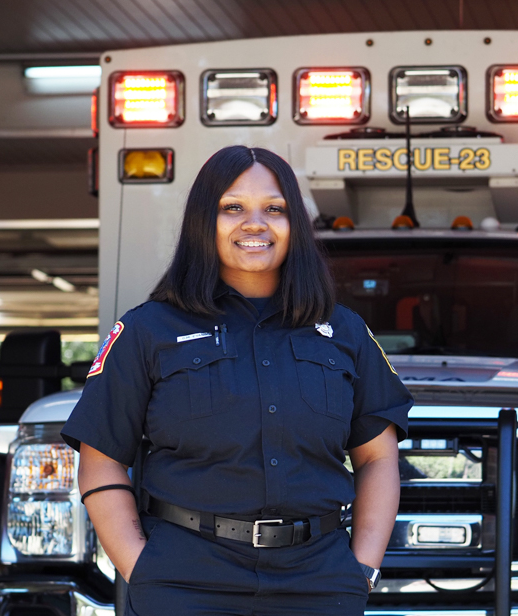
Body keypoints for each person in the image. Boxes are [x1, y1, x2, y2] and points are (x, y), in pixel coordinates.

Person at [61, 145, 413, 616]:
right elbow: (101, 460)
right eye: (233, 208)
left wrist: (362, 569)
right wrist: (139, 567)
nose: (255, 223)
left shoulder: (344, 331)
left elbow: (376, 458)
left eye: (274, 209)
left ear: (296, 227)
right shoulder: (148, 329)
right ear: (203, 221)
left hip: (317, 583)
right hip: (185, 582)